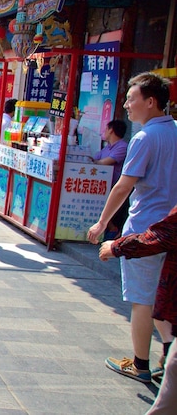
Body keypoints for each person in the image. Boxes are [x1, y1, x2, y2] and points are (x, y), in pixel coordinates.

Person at [88, 72, 177, 383]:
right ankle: (169, 356)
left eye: (131, 99)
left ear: (150, 102)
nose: (126, 105)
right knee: (164, 295)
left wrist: (102, 223)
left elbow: (124, 185)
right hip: (172, 229)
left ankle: (140, 364)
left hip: (145, 228)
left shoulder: (144, 137)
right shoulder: (175, 131)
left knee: (143, 300)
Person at [99, 205, 177, 411]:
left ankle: (144, 363)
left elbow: (164, 235)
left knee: (167, 402)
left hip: (144, 231)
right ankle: (167, 352)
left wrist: (117, 247)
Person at [93, 119, 130, 240]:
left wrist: (95, 162)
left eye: (106, 129)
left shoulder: (122, 147)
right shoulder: (107, 147)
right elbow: (95, 159)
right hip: (101, 185)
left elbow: (105, 162)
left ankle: (113, 230)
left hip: (114, 186)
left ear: (111, 130)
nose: (104, 132)